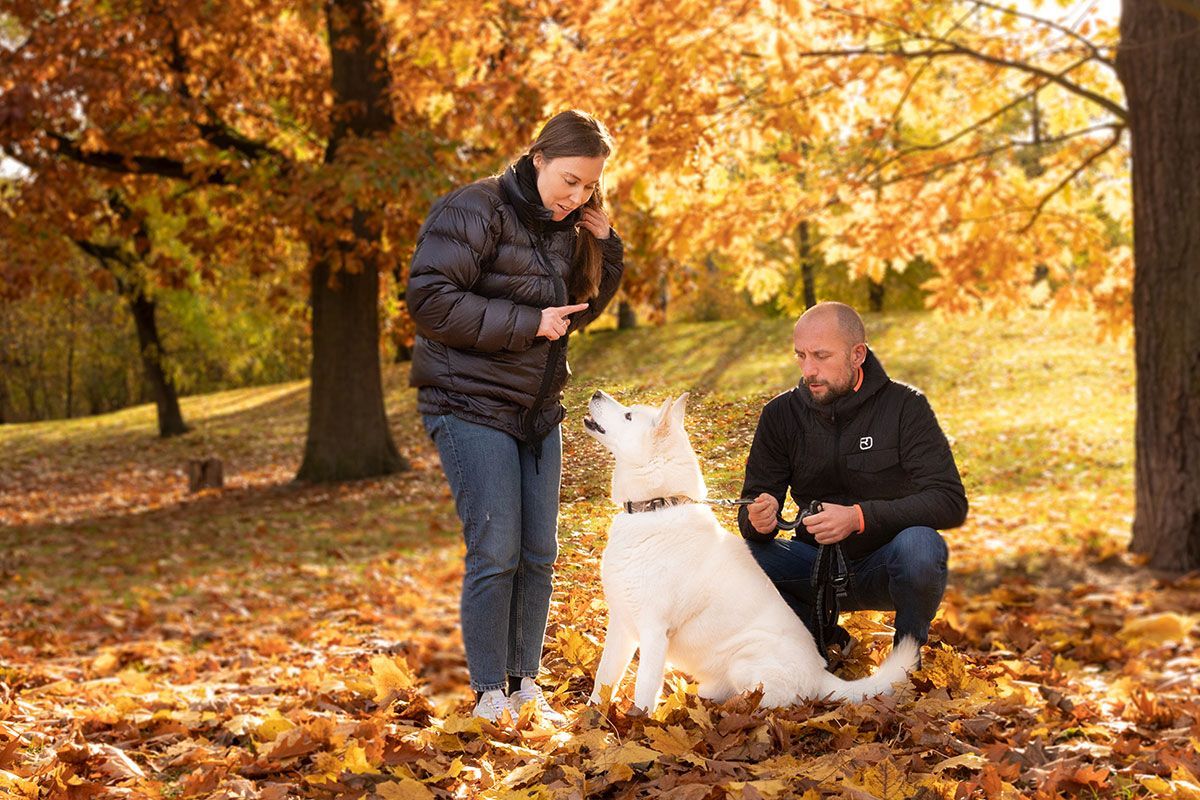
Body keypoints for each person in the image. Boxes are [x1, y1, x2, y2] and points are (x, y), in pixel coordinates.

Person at [406, 110, 623, 724]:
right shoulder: (475, 208)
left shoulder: (565, 224)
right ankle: (488, 693)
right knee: (496, 548)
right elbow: (429, 299)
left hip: (536, 408)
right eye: (570, 180)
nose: (577, 196)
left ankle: (524, 682)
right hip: (467, 401)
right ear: (538, 159)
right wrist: (529, 323)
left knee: (539, 550)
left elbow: (578, 307)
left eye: (589, 186)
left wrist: (605, 246)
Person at [738, 302, 967, 665]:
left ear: (857, 354)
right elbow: (752, 507)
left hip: (886, 563)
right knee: (738, 557)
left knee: (923, 544)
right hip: (812, 565)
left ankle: (906, 661)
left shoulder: (905, 407)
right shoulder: (780, 415)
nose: (809, 370)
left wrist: (858, 517)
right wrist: (757, 521)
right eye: (801, 356)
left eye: (821, 356)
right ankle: (816, 641)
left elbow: (948, 500)